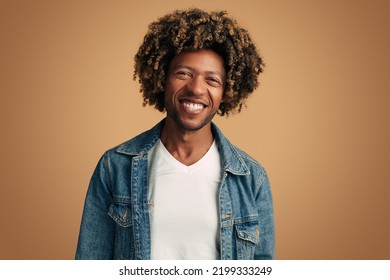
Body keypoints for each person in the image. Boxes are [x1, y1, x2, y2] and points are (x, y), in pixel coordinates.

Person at [75, 8, 274, 260]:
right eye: (183, 74)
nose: (196, 88)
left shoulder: (251, 178)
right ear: (162, 78)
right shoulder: (115, 167)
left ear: (227, 92)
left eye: (212, 80)